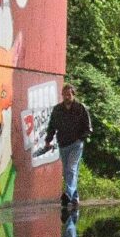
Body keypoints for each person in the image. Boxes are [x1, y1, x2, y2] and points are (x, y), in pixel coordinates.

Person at [42, 82, 92, 212]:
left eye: (69, 94)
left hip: (76, 143)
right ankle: (74, 197)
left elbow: (88, 127)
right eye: (64, 94)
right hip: (63, 143)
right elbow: (52, 126)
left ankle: (68, 195)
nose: (66, 97)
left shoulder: (81, 108)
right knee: (67, 171)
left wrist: (81, 137)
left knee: (71, 168)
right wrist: (48, 140)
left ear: (73, 95)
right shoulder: (57, 109)